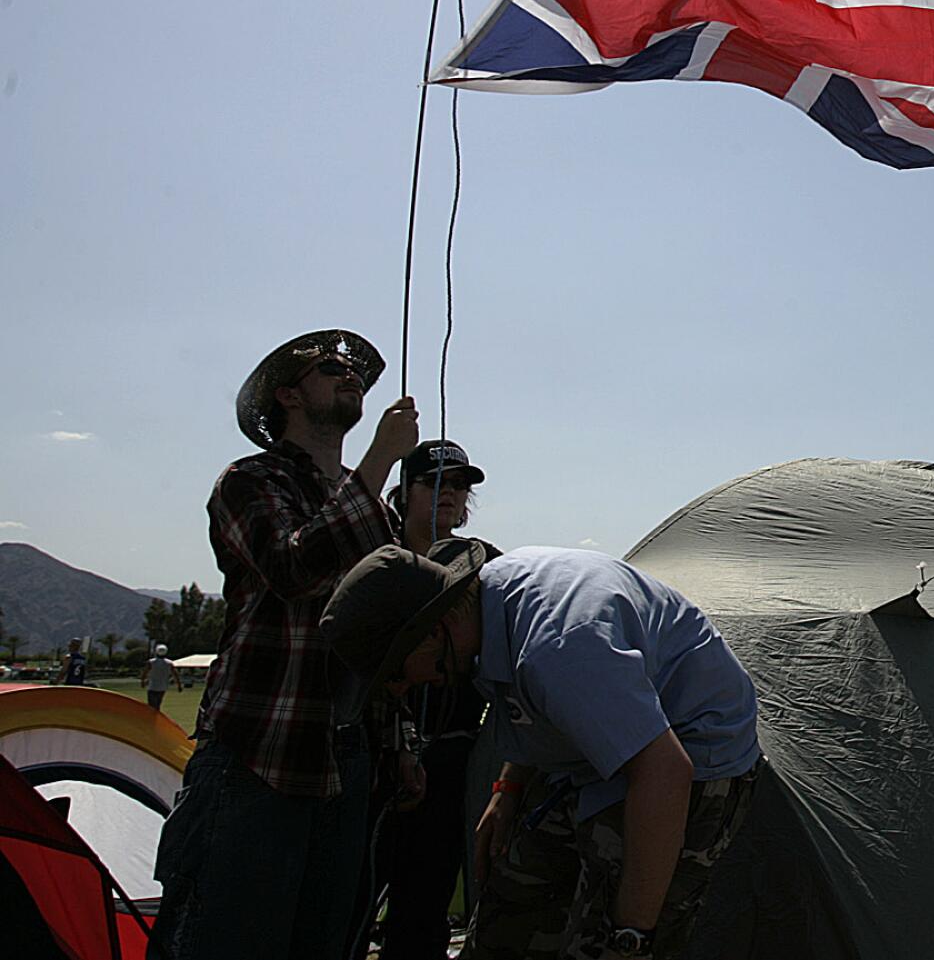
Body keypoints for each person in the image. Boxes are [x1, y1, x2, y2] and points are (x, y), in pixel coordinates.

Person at [322, 542, 761, 959]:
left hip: (686, 757)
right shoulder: (488, 608)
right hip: (591, 753)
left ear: (433, 631)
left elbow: (665, 771)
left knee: (610, 936)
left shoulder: (559, 649)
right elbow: (540, 706)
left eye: (394, 673)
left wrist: (631, 938)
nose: (401, 688)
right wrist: (508, 788)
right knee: (511, 916)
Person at [150, 329, 419, 960]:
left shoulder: (369, 507)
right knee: (225, 940)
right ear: (288, 396)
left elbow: (377, 638)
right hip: (258, 754)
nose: (350, 376)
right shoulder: (250, 480)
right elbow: (292, 568)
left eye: (355, 371)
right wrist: (380, 460)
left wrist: (399, 740)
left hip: (347, 759)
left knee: (320, 944)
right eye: (331, 368)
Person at [375, 442, 492, 960]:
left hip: (450, 759)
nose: (449, 493)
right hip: (374, 755)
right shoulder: (377, 560)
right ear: (404, 492)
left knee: (424, 906)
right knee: (352, 893)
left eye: (459, 484)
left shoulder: (485, 562)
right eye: (435, 481)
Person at [144, 644, 181, 711]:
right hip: (162, 687)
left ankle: (151, 719)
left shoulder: (151, 662)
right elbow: (175, 674)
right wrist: (179, 685)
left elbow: (145, 672)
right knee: (158, 704)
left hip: (152, 686)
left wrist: (143, 681)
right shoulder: (169, 663)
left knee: (151, 705)